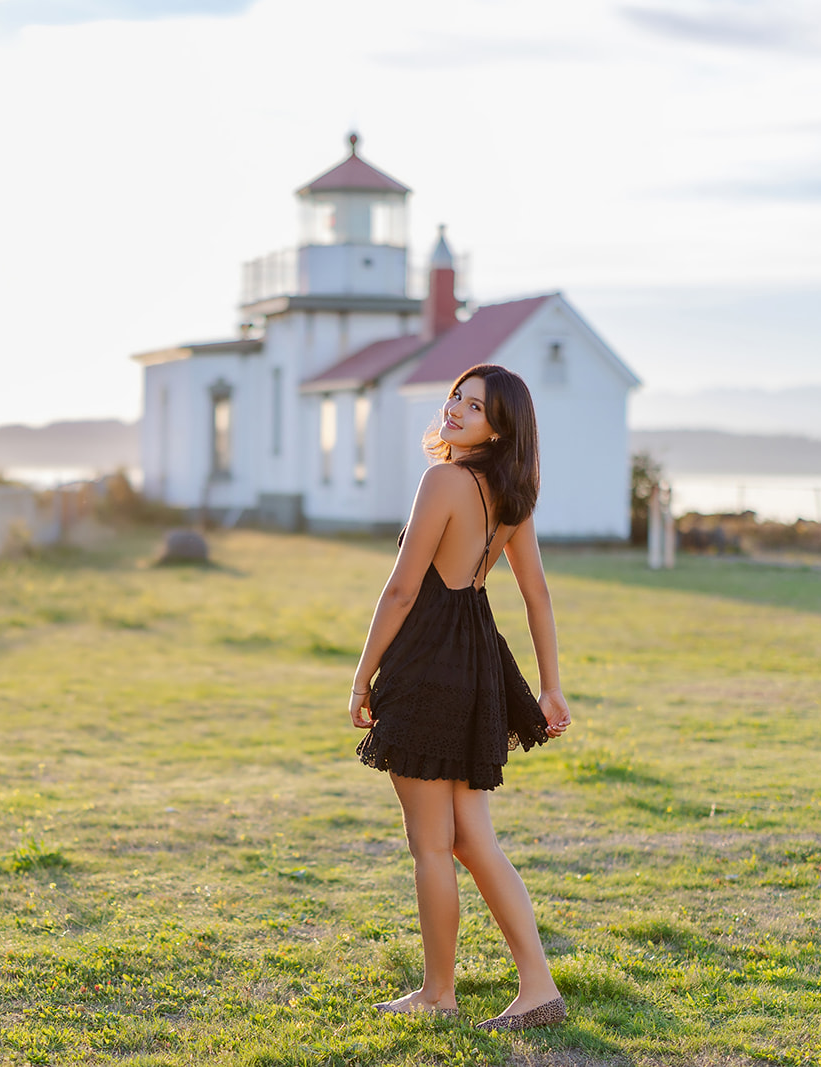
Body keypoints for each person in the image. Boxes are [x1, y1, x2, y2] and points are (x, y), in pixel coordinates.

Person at [348, 363, 573, 1032]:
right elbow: (536, 594)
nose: (455, 409)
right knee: (473, 838)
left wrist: (362, 676)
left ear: (499, 428)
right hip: (477, 657)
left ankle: (438, 992)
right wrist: (550, 684)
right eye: (456, 396)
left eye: (473, 408)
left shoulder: (443, 480)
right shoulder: (511, 494)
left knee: (430, 844)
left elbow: (401, 588)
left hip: (429, 660)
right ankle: (538, 986)